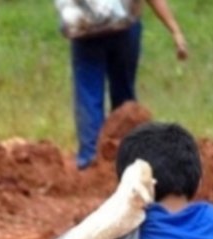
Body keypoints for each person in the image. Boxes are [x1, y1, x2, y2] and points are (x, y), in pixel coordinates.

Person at [55, 0, 187, 170]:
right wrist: (175, 30)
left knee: (88, 96)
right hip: (124, 27)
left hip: (85, 28)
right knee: (124, 96)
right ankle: (129, 159)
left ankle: (91, 161)